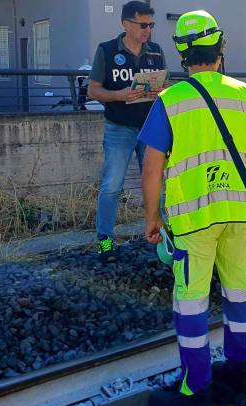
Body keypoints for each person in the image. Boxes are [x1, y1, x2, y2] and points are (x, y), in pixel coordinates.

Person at [138, 10, 246, 406]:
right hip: (238, 216)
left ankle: (195, 389)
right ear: (221, 48)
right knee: (239, 291)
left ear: (182, 53)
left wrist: (151, 219)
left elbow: (151, 166)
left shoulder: (171, 100)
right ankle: (240, 372)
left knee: (192, 302)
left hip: (194, 221)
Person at [88, 0, 165, 262]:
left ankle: (158, 234)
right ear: (126, 24)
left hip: (151, 129)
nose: (148, 30)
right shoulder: (107, 51)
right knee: (111, 186)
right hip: (119, 128)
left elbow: (163, 88)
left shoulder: (155, 52)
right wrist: (118, 95)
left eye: (151, 25)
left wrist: (160, 92)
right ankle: (105, 239)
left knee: (155, 183)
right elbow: (93, 90)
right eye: (143, 25)